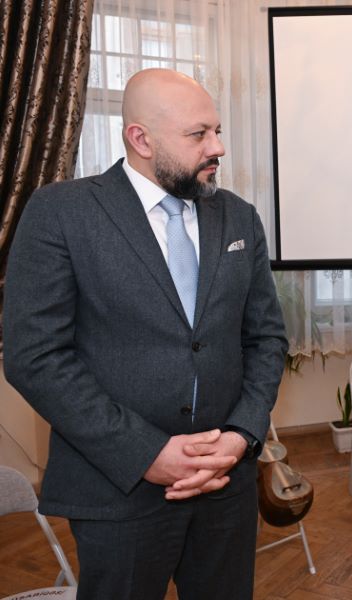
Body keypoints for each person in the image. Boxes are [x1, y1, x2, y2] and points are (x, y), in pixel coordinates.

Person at [3, 69, 287, 599]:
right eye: (199, 134)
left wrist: (240, 436)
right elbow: (35, 356)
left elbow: (266, 340)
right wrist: (146, 452)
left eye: (218, 131)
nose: (218, 147)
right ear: (141, 139)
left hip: (226, 485)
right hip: (118, 489)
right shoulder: (62, 213)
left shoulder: (239, 217)